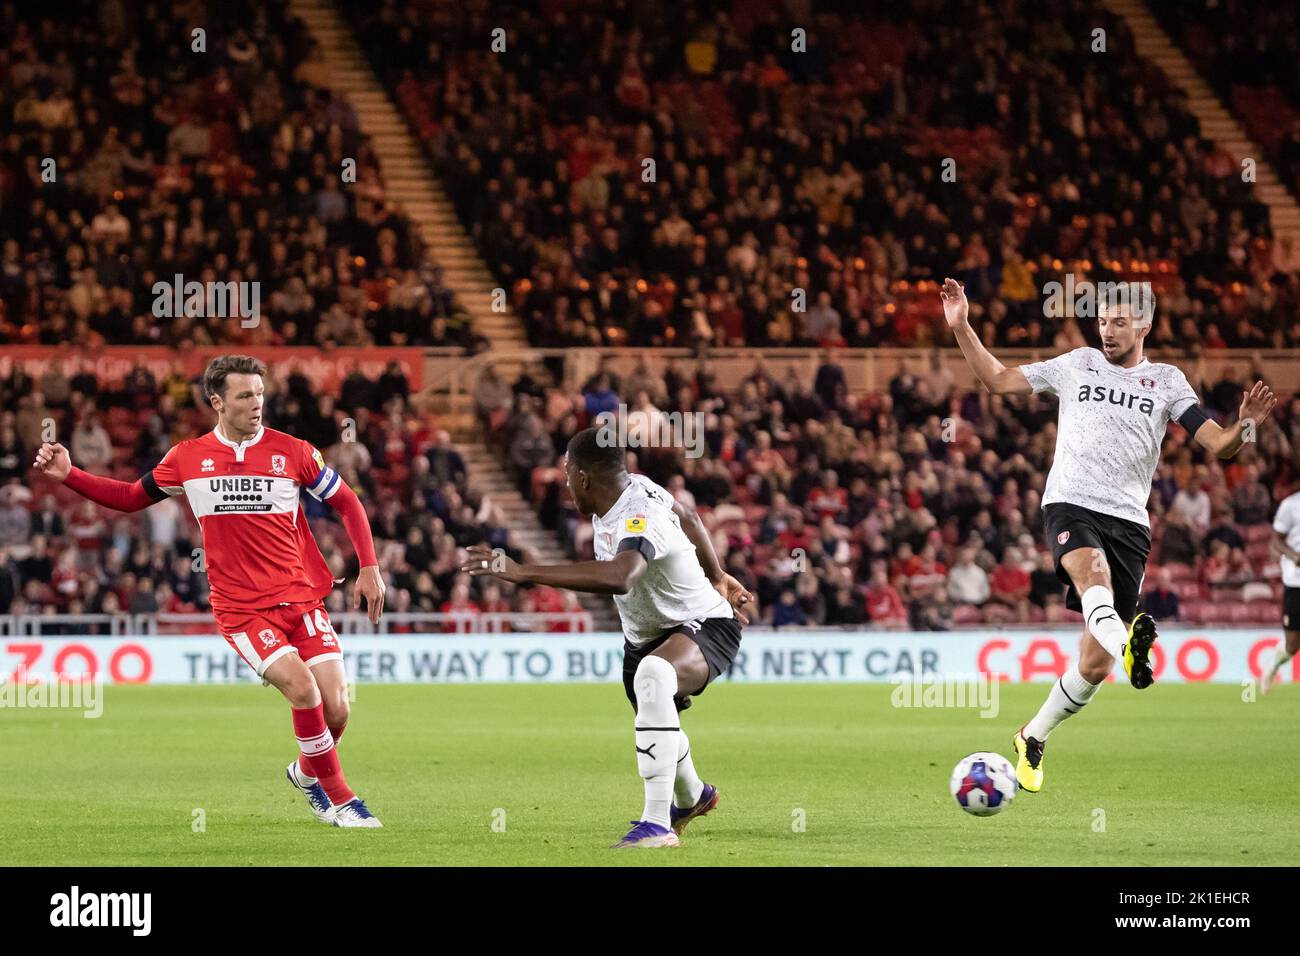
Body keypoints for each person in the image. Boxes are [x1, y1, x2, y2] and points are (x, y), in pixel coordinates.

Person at [941, 277, 1276, 792]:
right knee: (1091, 573)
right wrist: (963, 326)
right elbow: (998, 380)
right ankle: (1131, 648)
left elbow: (1221, 445)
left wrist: (1246, 425)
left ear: (1144, 324)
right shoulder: (1076, 363)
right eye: (1102, 321)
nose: (1108, 330)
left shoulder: (1166, 381)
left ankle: (1033, 734)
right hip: (1071, 503)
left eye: (1119, 322)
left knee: (1092, 666)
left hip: (1129, 523)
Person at [33, 355, 386, 827]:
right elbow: (129, 497)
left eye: (260, 393)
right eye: (245, 395)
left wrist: (369, 567)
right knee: (304, 691)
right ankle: (342, 801)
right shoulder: (187, 458)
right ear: (217, 402)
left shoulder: (294, 452)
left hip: (300, 598)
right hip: (243, 609)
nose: (256, 403)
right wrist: (70, 476)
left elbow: (347, 502)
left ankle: (305, 773)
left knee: (338, 707)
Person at [460, 426, 751, 848]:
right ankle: (692, 797)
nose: (564, 482)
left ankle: (656, 825)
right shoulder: (632, 491)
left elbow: (622, 576)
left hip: (703, 625)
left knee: (653, 676)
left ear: (581, 476)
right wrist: (717, 573)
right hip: (647, 635)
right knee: (654, 700)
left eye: (566, 473)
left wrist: (525, 573)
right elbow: (687, 515)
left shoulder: (639, 512)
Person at [1261, 490, 1300, 694]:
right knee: (1293, 645)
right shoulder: (1290, 505)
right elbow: (1276, 541)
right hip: (1295, 581)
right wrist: (1293, 555)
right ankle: (1273, 666)